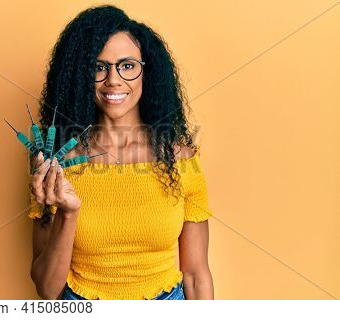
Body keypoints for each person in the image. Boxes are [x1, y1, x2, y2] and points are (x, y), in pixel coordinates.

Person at [28, 5, 214, 300]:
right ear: (81, 76)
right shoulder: (57, 164)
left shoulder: (181, 160)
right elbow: (48, 290)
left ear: (146, 72)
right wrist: (68, 212)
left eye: (127, 66)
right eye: (98, 67)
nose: (113, 80)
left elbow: (195, 275)